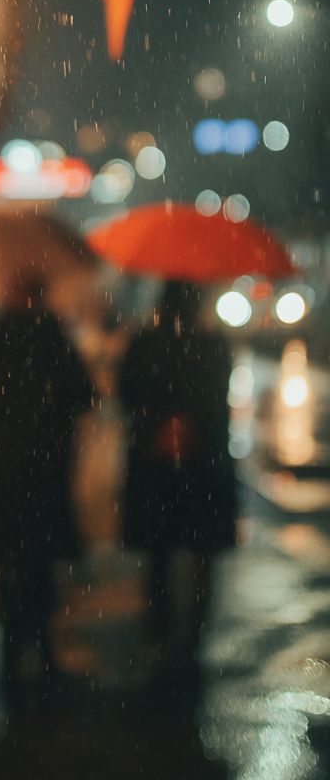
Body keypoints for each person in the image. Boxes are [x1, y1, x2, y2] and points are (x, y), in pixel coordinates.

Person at [0, 276, 94, 707]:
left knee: (8, 561)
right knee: (39, 564)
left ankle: (12, 654)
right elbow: (85, 395)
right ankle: (43, 653)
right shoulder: (51, 338)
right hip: (45, 474)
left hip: (0, 475)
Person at [119, 280, 236, 667]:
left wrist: (159, 423)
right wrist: (191, 423)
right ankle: (194, 635)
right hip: (203, 464)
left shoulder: (144, 343)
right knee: (201, 551)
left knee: (159, 548)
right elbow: (218, 400)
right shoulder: (214, 345)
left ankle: (159, 631)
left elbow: (127, 393)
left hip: (157, 463)